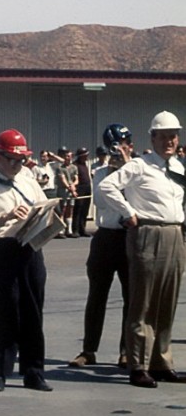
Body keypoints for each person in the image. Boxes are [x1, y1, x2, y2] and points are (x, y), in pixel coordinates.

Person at [96, 111, 186, 388]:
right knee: (143, 302)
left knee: (167, 301)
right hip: (147, 232)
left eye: (173, 135)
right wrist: (128, 212)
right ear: (153, 138)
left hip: (174, 232)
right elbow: (107, 185)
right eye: (163, 136)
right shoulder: (139, 165)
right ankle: (138, 364)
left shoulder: (179, 168)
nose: (169, 141)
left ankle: (161, 361)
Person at [0, 129, 52, 392]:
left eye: (21, 160)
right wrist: (4, 217)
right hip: (3, 250)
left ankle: (33, 372)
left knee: (33, 312)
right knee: (5, 312)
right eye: (11, 159)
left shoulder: (30, 182)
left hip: (30, 248)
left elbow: (43, 207)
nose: (16, 165)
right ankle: (0, 372)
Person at [69, 124, 134, 369]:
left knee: (131, 296)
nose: (120, 150)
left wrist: (127, 168)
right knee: (97, 295)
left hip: (129, 236)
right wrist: (114, 173)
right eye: (116, 147)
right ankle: (89, 349)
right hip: (106, 236)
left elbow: (135, 197)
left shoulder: (137, 170)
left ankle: (126, 350)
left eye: (125, 145)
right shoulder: (100, 173)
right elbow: (101, 199)